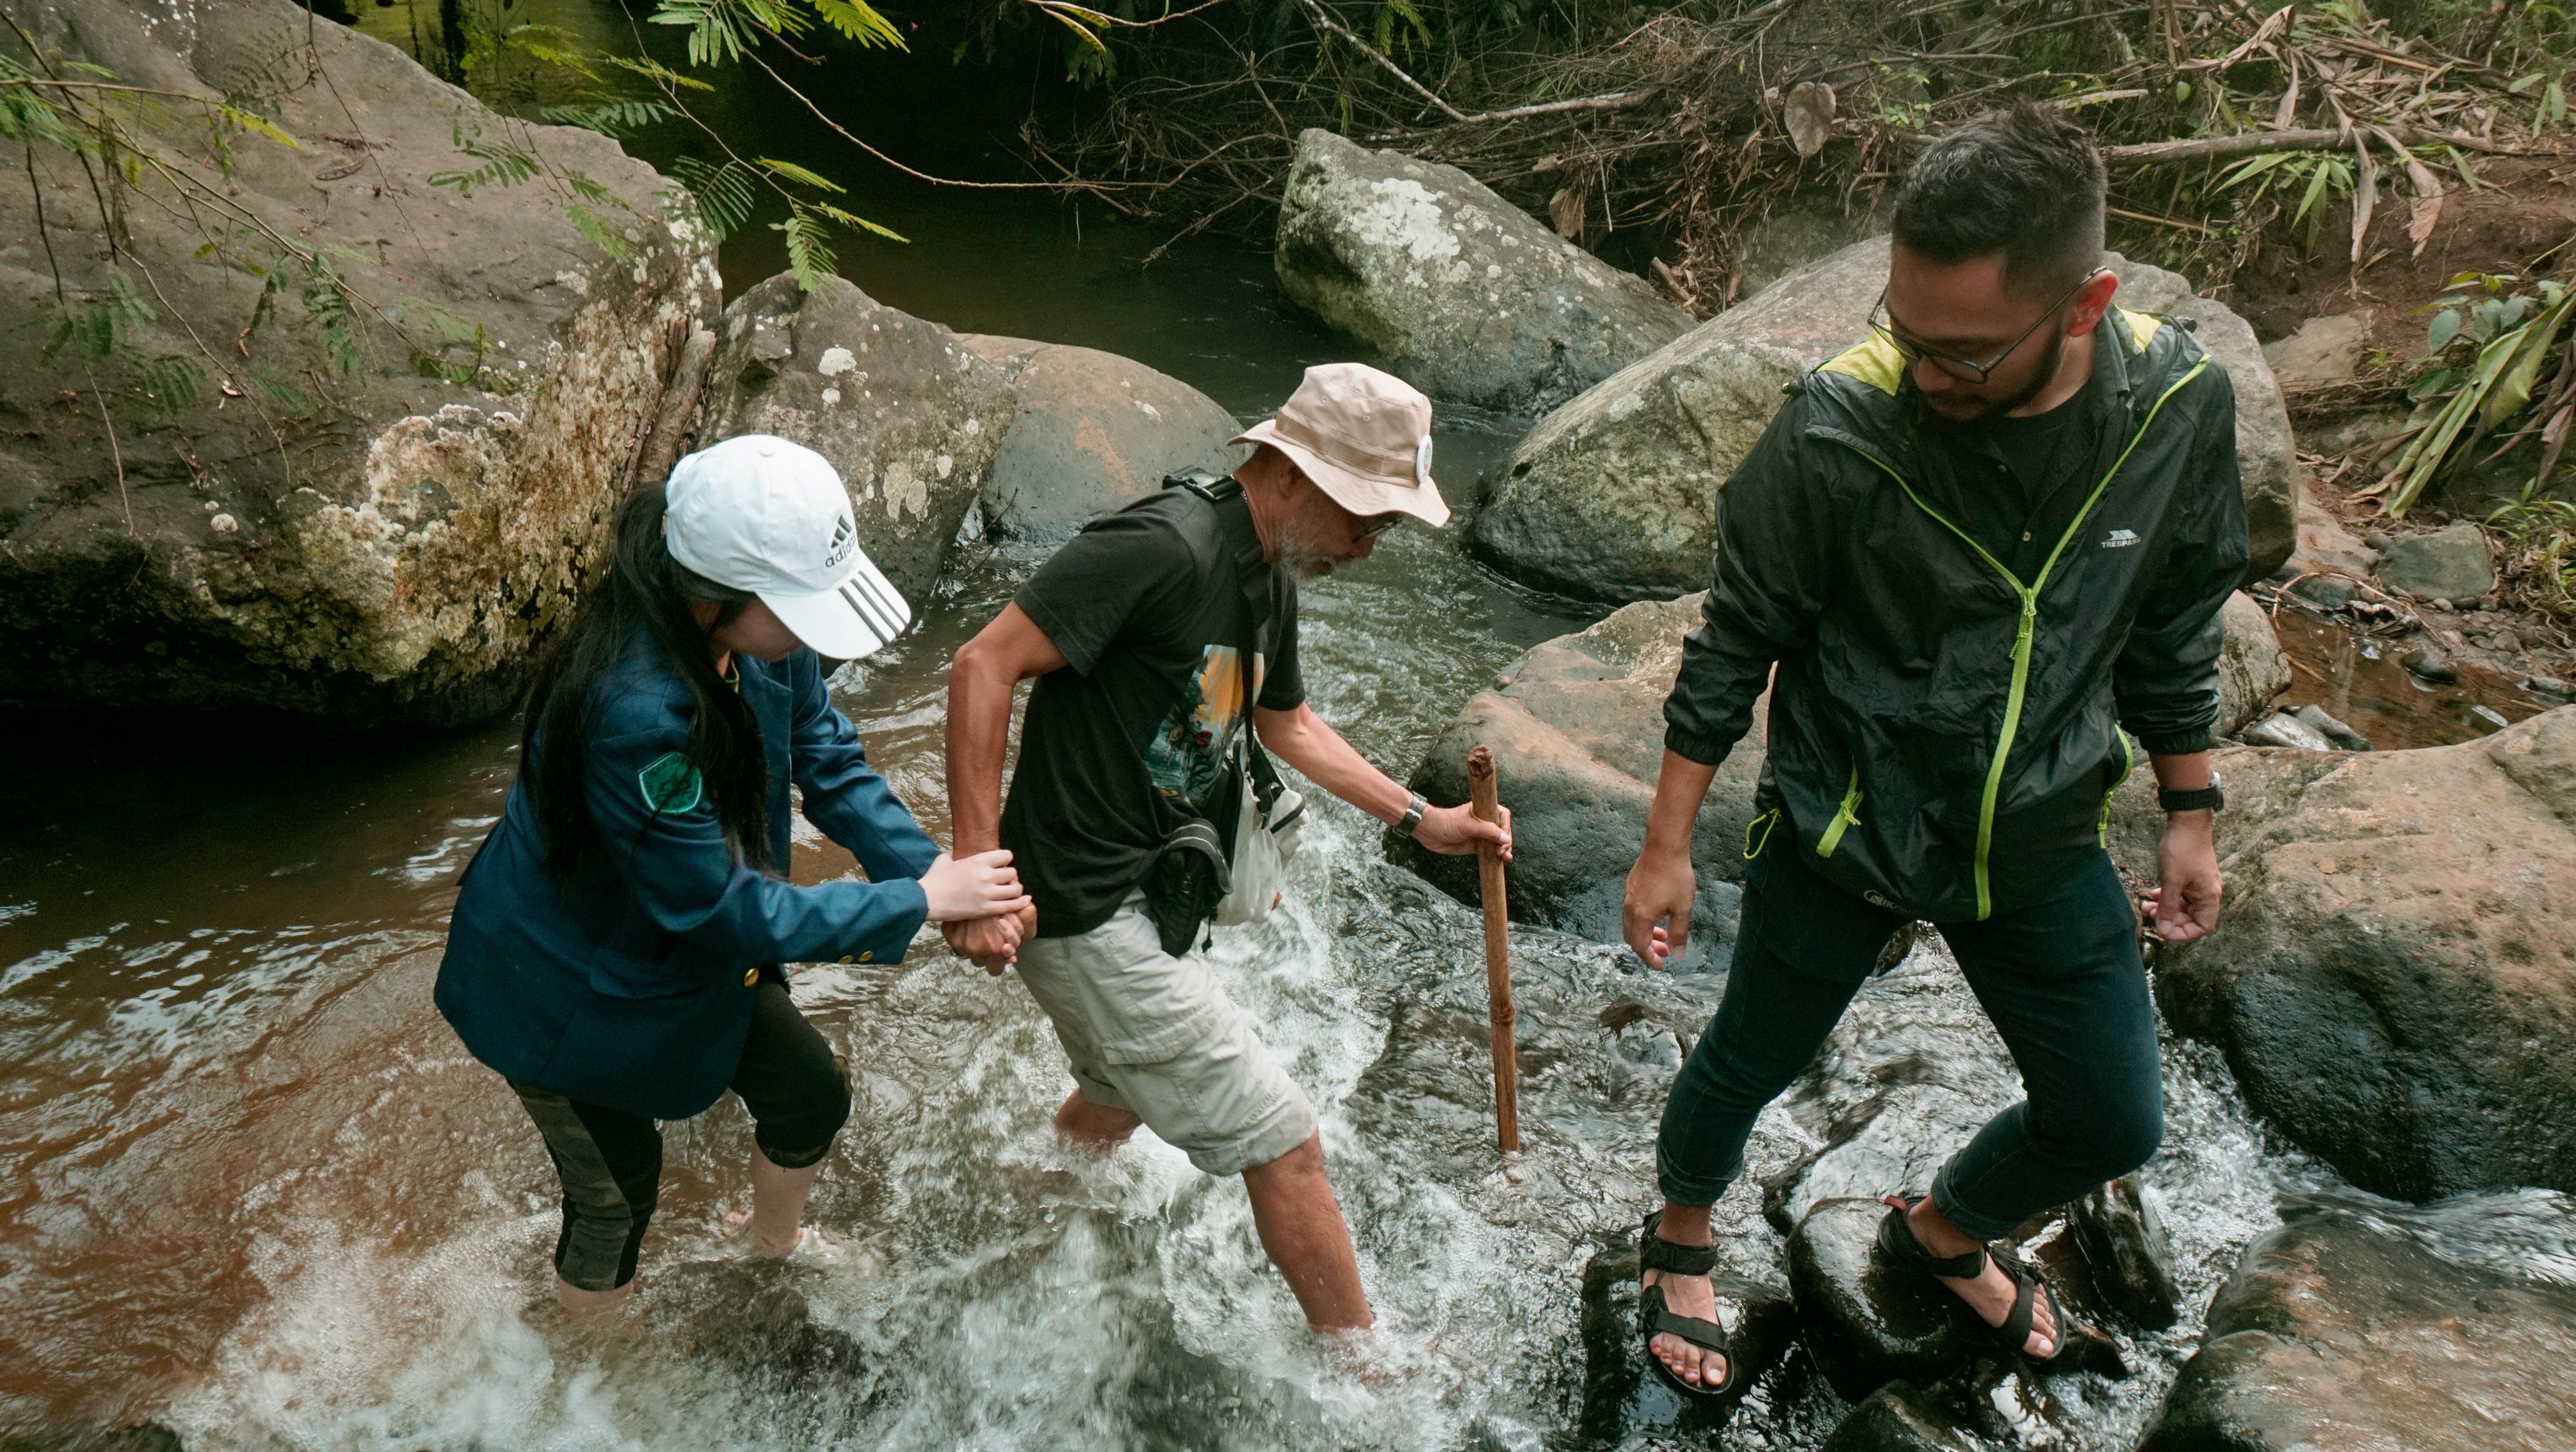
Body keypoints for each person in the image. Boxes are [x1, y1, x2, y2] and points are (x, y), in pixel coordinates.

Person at [1617, 105, 2243, 1402]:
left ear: (2087, 303)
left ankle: (1944, 1226)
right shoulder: (1842, 420)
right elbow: (1739, 639)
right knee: (1750, 1056)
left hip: (2039, 825)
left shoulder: (2175, 405)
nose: (1919, 367)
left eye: (1959, 350)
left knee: (2115, 1114)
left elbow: (2176, 618)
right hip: (1847, 819)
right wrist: (1667, 844)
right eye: (1902, 327)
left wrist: (2191, 811)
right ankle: (1677, 1234)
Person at [941, 363, 1513, 1335]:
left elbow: (1286, 725)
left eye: (1383, 526)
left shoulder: (1268, 574)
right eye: (1363, 518)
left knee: (1121, 1093)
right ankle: (1366, 1382)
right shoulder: (1164, 544)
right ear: (1289, 473)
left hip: (1148, 895)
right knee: (1286, 1139)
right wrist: (978, 878)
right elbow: (982, 663)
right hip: (1082, 903)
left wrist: (1426, 820)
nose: (1369, 546)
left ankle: (1007, 1208)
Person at [435, 434, 1030, 1316]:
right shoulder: (636, 711)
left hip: (682, 943)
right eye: (802, 608)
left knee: (810, 1095)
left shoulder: (758, 635)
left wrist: (939, 876)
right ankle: (596, 1379)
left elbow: (825, 756)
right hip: (561, 982)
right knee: (616, 1195)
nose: (810, 635)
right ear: (718, 595)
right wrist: (917, 902)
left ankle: (771, 1241)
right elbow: (718, 906)